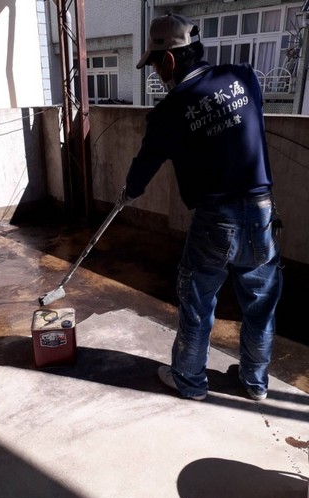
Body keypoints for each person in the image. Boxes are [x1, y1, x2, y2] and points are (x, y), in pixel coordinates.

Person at [119, 14, 283, 401]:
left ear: (170, 61)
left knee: (197, 301)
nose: (158, 75)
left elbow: (144, 166)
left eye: (156, 66)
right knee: (260, 305)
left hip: (216, 221)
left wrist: (129, 193)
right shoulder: (246, 77)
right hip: (261, 213)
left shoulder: (169, 112)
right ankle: (255, 382)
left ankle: (191, 381)